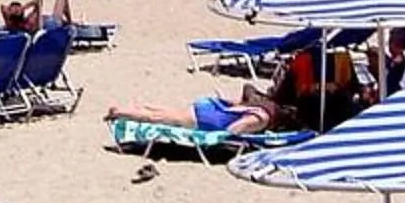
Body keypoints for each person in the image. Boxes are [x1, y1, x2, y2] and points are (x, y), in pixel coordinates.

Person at [106, 86, 277, 137]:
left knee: (167, 112)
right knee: (158, 118)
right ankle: (120, 112)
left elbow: (232, 102)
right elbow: (232, 130)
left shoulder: (261, 104)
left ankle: (137, 107)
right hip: (208, 119)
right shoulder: (261, 118)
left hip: (211, 106)